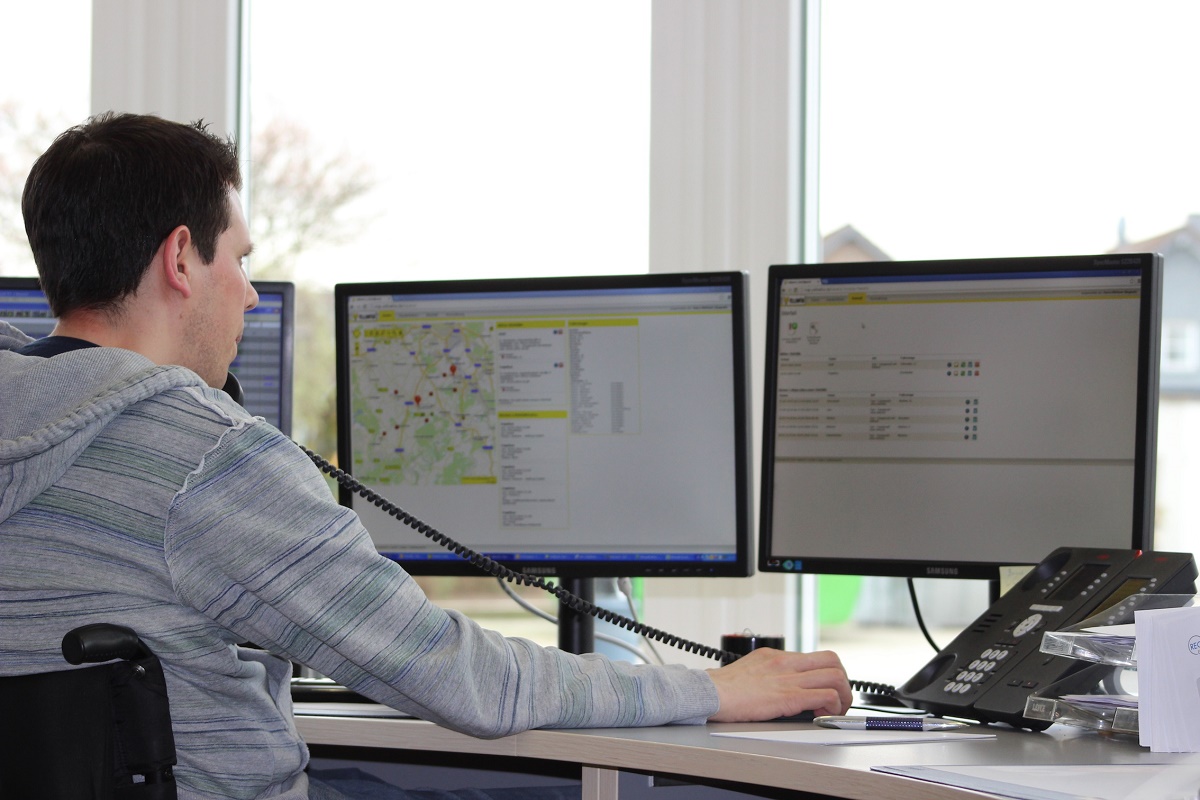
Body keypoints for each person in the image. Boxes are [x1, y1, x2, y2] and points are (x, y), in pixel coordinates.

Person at [0, 112, 851, 800]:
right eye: (242, 259)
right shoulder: (209, 461)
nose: (251, 294)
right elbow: (461, 678)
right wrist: (715, 688)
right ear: (182, 257)